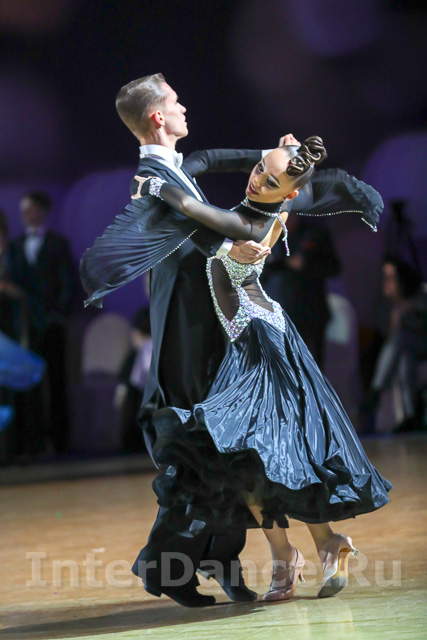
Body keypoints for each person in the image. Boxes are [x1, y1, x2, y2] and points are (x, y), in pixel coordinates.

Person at [128, 135, 392, 602]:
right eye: (258, 170)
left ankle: (292, 553)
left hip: (256, 340)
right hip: (258, 333)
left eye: (270, 181)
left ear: (289, 194)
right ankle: (318, 544)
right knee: (270, 451)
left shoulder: (247, 222)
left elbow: (188, 206)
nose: (256, 180)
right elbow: (227, 188)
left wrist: (152, 187)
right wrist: (281, 155)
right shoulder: (272, 208)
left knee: (252, 454)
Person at [81, 73, 289, 608]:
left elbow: (216, 158)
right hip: (186, 334)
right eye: (175, 102)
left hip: (207, 324)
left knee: (229, 446)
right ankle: (168, 568)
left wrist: (273, 156)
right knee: (196, 451)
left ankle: (221, 556)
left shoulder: (176, 166)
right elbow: (203, 231)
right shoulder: (153, 181)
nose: (184, 107)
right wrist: (245, 235)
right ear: (158, 116)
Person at [7, 191, 77, 456]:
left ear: (43, 211)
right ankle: (33, 442)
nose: (25, 214)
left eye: (30, 209)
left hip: (52, 324)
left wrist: (58, 315)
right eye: (23, 210)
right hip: (25, 327)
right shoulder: (15, 246)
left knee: (57, 382)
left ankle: (61, 442)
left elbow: (68, 283)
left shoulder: (58, 244)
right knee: (29, 386)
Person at [263, 215, 341, 369]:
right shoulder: (268, 233)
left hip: (310, 314)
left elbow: (334, 268)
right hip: (278, 313)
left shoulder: (315, 233)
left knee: (311, 367)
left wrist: (305, 266)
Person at [364, 256, 427, 432]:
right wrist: (397, 317)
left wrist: (408, 311)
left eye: (391, 277)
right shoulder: (385, 305)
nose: (387, 282)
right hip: (406, 351)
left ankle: (376, 391)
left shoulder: (420, 298)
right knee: (404, 359)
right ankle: (410, 416)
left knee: (401, 340)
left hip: (423, 345)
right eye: (385, 277)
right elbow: (386, 336)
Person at [114, 307, 152, 453]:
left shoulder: (140, 353)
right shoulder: (148, 353)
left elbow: (125, 381)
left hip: (139, 402)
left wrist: (121, 393)